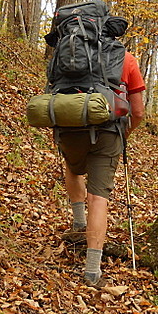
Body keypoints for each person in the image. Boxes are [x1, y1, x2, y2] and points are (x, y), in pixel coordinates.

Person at [55, 50, 146, 288]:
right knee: (98, 198)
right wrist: (126, 132)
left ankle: (78, 223)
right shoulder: (126, 59)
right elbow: (137, 111)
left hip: (70, 126)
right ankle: (92, 271)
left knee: (73, 168)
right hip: (109, 131)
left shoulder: (68, 53)